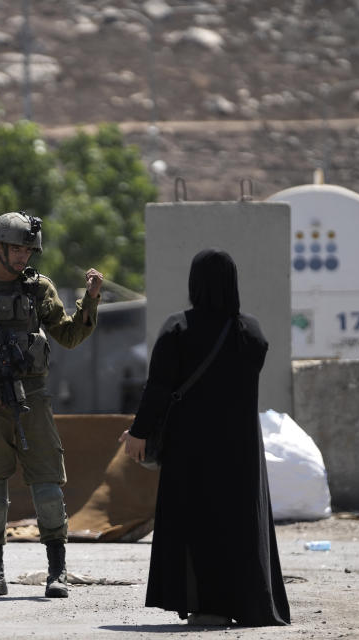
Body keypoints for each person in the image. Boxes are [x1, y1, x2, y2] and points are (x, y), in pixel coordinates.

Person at [119, 248, 290, 627]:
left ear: (195, 283)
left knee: (195, 521)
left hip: (191, 447)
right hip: (240, 449)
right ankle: (245, 603)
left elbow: (159, 387)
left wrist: (139, 432)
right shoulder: (251, 331)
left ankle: (205, 604)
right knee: (238, 522)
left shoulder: (178, 328)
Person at [0, 211, 103, 599]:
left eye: (28, 250)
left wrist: (90, 301)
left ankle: (57, 573)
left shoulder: (37, 289)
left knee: (48, 486)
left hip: (32, 397)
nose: (23, 257)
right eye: (16, 249)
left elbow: (67, 335)